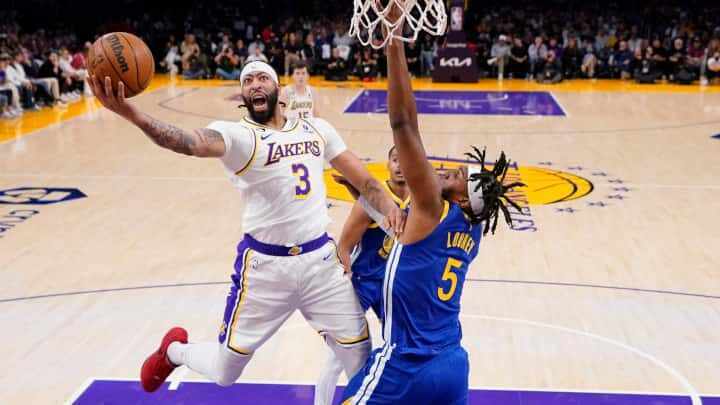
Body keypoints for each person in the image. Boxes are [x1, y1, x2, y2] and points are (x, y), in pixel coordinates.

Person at [87, 60, 405, 395]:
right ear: (243, 94)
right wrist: (132, 114)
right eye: (248, 80)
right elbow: (186, 141)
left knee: (360, 358)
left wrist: (394, 216)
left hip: (320, 265)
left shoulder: (317, 129)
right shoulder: (237, 135)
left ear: (277, 87)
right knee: (225, 371)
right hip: (265, 270)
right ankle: (175, 351)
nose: (255, 84)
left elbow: (367, 183)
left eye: (262, 77)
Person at [340, 4, 524, 403]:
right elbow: (403, 229)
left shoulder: (432, 208)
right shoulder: (471, 229)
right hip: (452, 365)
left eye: (454, 176)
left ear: (462, 198)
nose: (443, 171)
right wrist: (365, 195)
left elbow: (403, 123)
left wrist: (394, 39)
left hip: (406, 365)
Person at [315, 146, 410, 405]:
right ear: (388, 164)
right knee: (338, 358)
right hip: (361, 282)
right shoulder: (376, 197)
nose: (400, 166)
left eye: (405, 160)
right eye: (395, 160)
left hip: (390, 285)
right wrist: (341, 282)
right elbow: (344, 247)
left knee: (400, 344)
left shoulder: (415, 200)